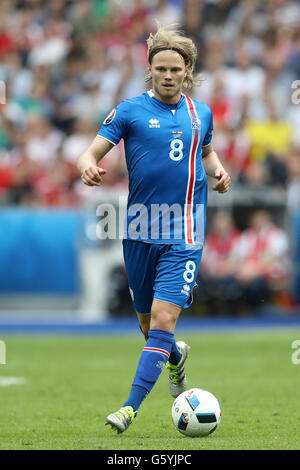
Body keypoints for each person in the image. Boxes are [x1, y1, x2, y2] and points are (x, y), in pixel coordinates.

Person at [77, 25, 231, 434]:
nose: (167, 75)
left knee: (163, 320)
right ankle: (175, 358)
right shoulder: (128, 111)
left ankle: (129, 408)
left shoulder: (203, 113)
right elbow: (89, 152)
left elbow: (208, 147)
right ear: (150, 69)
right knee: (149, 327)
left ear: (187, 71)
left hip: (184, 231)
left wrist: (217, 170)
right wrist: (88, 166)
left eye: (174, 69)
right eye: (160, 68)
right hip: (140, 230)